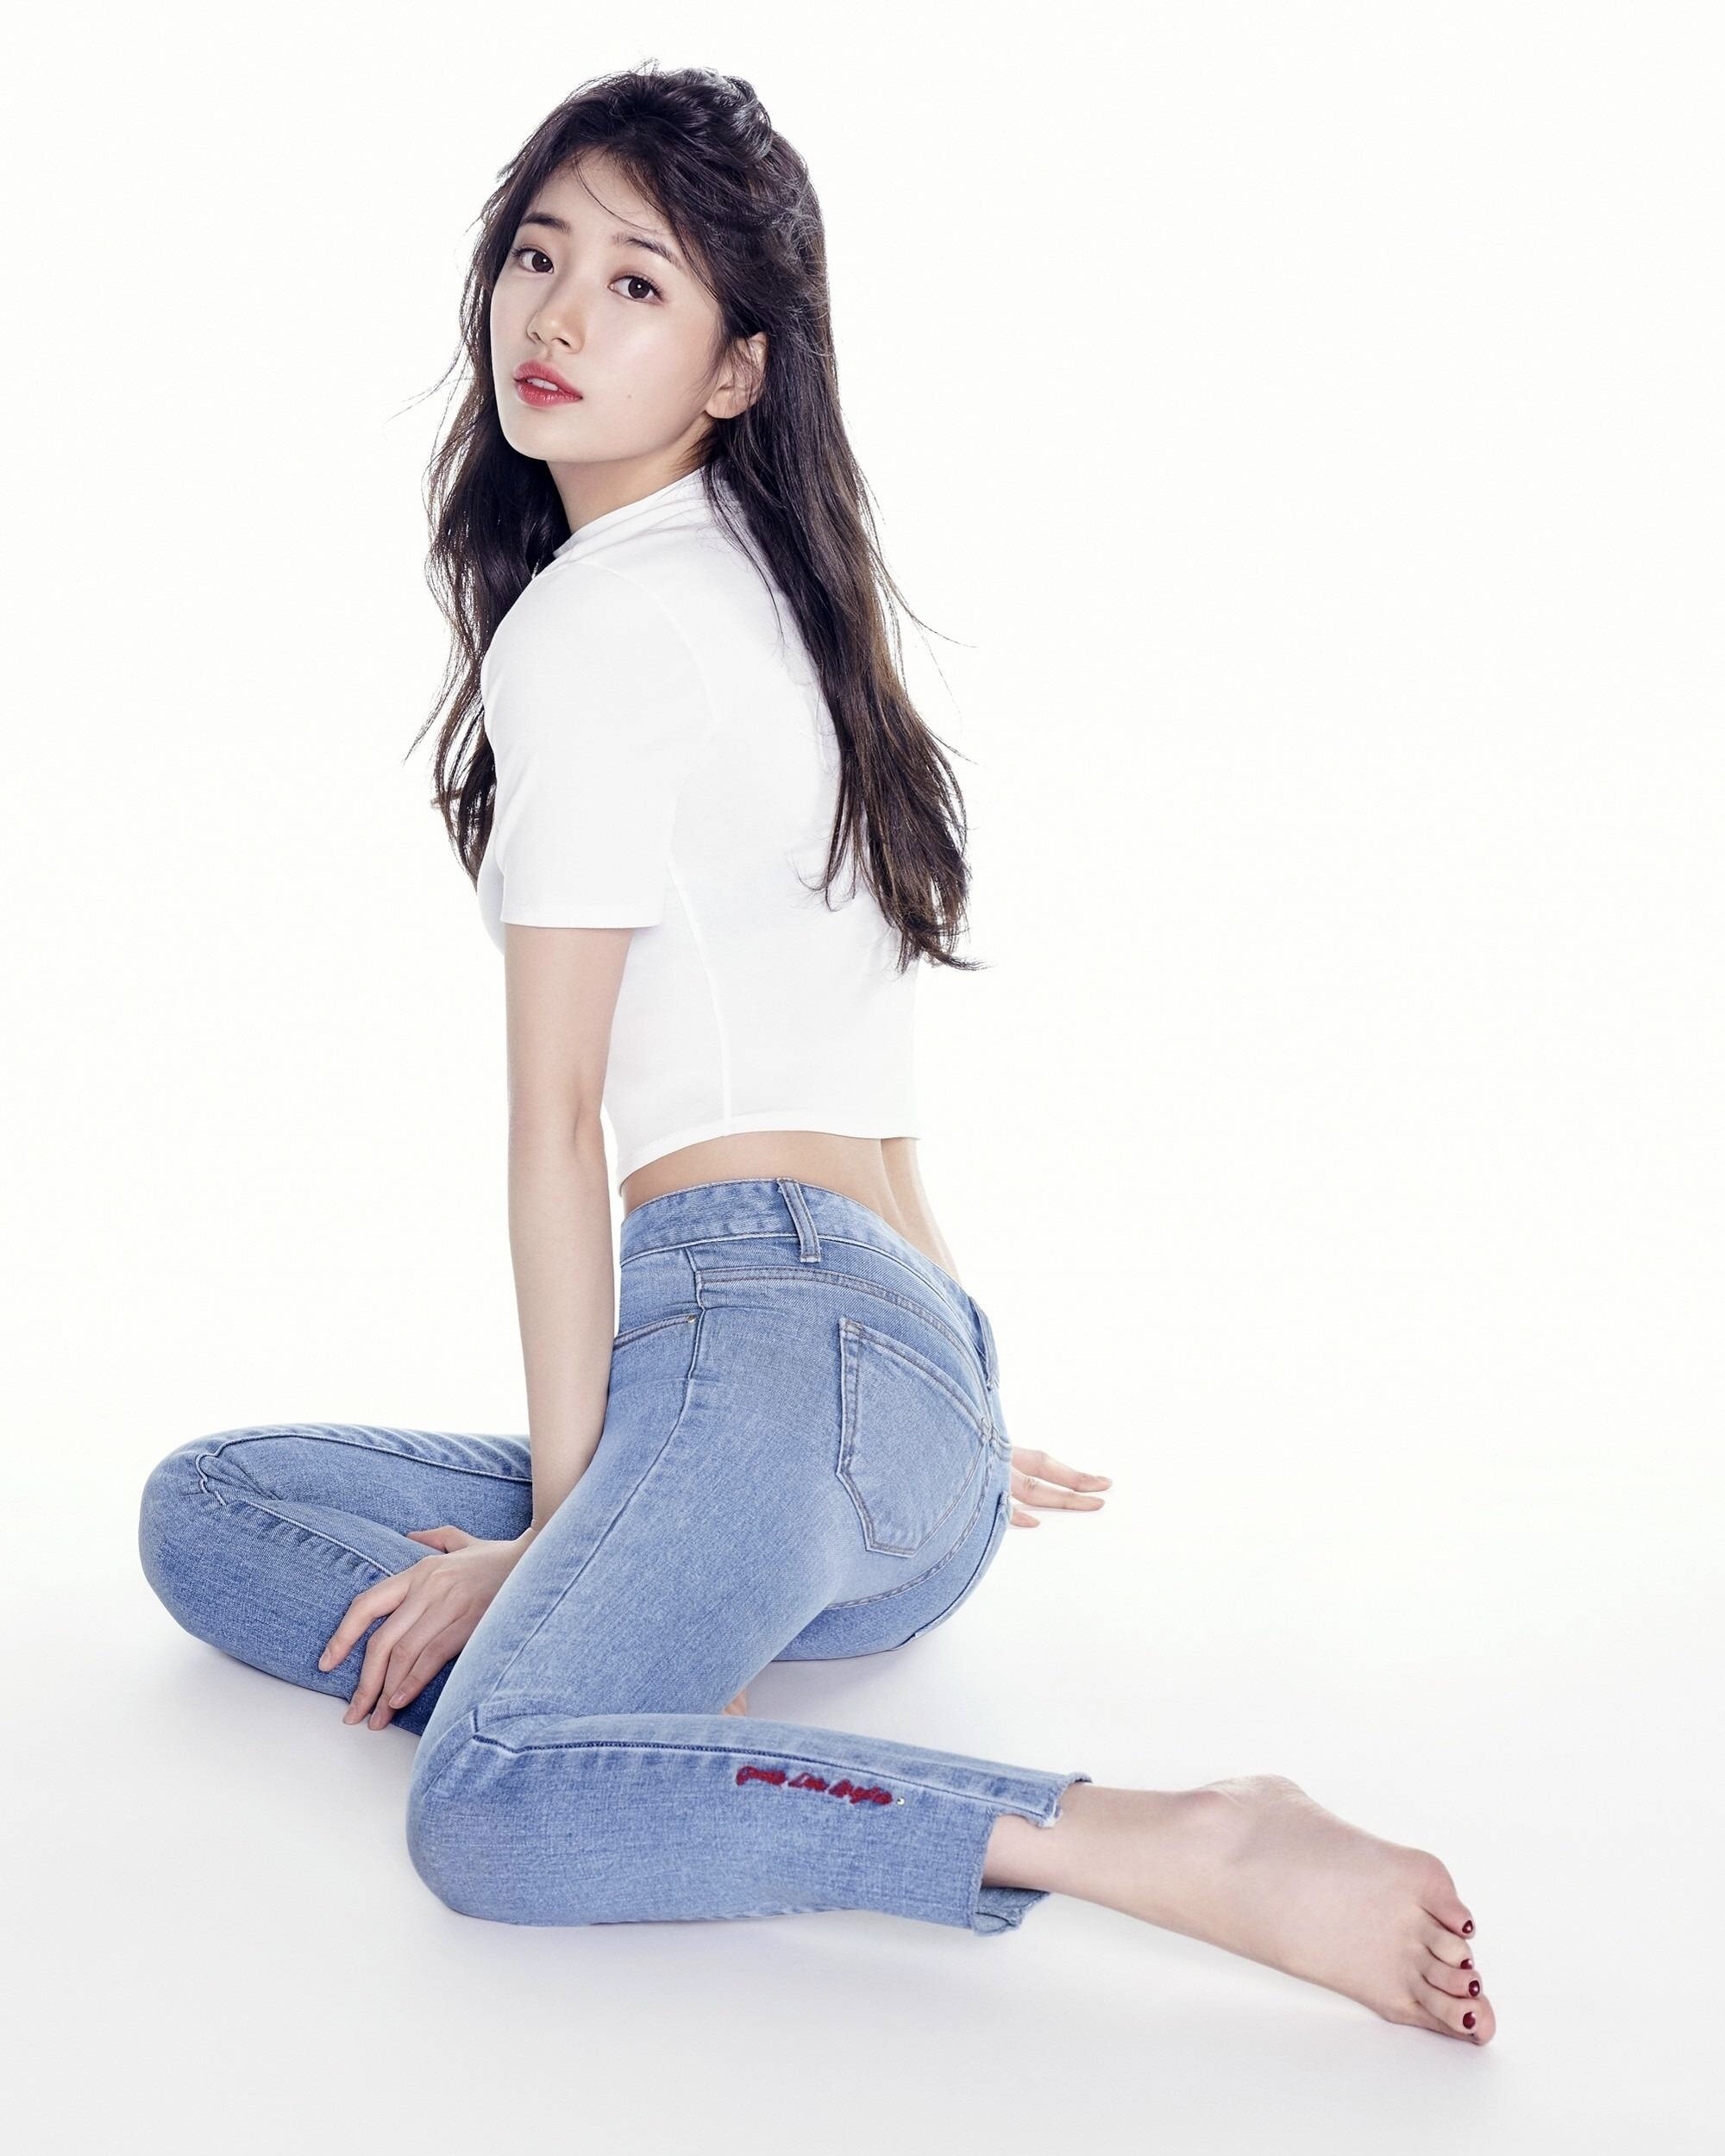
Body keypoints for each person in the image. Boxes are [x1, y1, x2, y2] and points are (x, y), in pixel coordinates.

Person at [137, 65, 1491, 2043]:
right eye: (538, 256)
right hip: (908, 1439)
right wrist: (937, 1404)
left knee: (494, 1797)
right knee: (213, 1501)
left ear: (735, 368)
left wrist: (557, 1528)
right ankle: (637, 1637)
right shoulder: (786, 604)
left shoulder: (595, 622)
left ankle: (1158, 1837)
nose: (556, 315)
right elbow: (862, 1070)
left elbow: (557, 1124)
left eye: (636, 283)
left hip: (769, 1345)